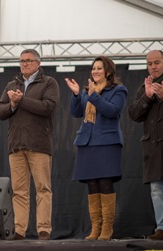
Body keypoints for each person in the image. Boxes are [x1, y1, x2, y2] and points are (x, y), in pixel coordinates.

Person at [0, 49, 59, 241]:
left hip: (39, 144)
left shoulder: (48, 83)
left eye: (29, 61)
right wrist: (12, 105)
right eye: (22, 61)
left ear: (39, 63)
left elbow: (48, 107)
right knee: (19, 192)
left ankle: (43, 230)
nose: (25, 64)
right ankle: (20, 230)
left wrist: (22, 100)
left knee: (43, 189)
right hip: (16, 145)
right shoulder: (12, 84)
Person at [65, 56, 128, 241]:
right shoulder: (87, 92)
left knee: (105, 182)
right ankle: (95, 228)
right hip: (87, 142)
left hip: (107, 142)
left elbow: (112, 111)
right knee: (91, 184)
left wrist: (93, 96)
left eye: (99, 68)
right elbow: (77, 112)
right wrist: (77, 95)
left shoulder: (118, 90)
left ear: (108, 71)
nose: (95, 71)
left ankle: (107, 228)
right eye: (93, 68)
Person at [129, 50, 163, 240]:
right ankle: (161, 228)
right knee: (157, 190)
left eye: (157, 62)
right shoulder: (145, 87)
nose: (153, 67)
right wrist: (147, 97)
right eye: (149, 63)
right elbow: (133, 114)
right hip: (153, 148)